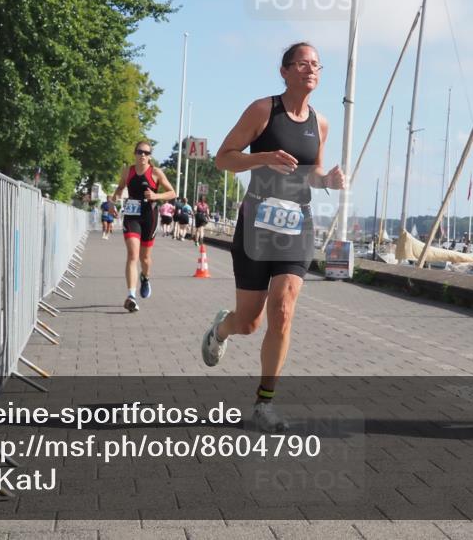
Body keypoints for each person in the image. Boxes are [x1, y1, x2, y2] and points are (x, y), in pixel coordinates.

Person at [200, 42, 345, 432]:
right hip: (256, 225)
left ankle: (264, 404)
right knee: (249, 322)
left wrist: (328, 180)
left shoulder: (321, 123)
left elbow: (312, 173)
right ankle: (221, 328)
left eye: (316, 65)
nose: (310, 69)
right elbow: (224, 158)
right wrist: (263, 157)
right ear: (284, 71)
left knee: (282, 311)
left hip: (297, 225)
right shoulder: (263, 110)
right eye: (302, 63)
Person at [112, 141, 175, 312]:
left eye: (146, 153)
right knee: (132, 255)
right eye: (140, 152)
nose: (142, 155)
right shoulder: (128, 171)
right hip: (132, 215)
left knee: (145, 258)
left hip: (149, 217)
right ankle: (131, 296)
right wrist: (113, 201)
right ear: (135, 153)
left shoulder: (155, 172)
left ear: (150, 156)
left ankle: (145, 277)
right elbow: (120, 188)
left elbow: (172, 192)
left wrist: (156, 195)